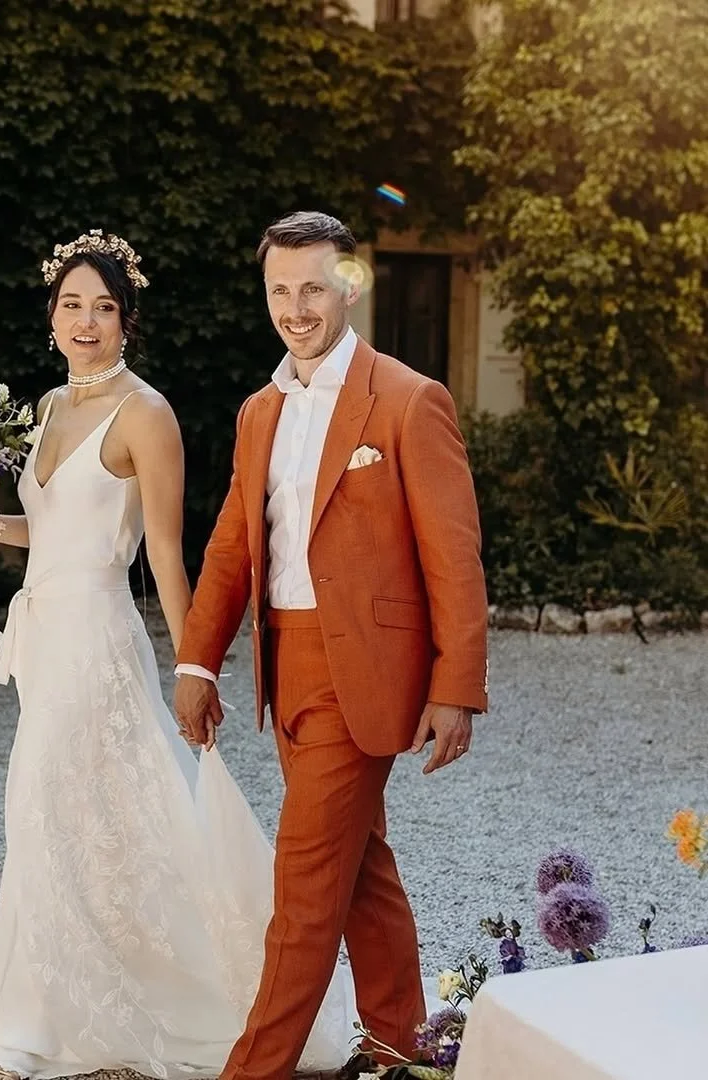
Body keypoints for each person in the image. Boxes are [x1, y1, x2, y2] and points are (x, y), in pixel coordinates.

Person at [0, 231, 355, 1080]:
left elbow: (168, 555)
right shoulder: (49, 409)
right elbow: (49, 530)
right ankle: (62, 1002)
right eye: (71, 305)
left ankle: (27, 1035)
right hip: (44, 641)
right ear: (52, 318)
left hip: (98, 640)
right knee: (66, 818)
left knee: (62, 808)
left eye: (103, 307)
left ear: (126, 321)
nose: (86, 321)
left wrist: (193, 666)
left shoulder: (147, 414)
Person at [175, 211, 490, 1080]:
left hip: (368, 676)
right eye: (280, 289)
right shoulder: (257, 411)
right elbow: (234, 544)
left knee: (306, 889)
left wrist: (456, 684)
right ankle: (406, 1050)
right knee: (361, 871)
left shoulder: (409, 399)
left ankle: (255, 1070)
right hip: (288, 672)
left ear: (347, 285)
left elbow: (453, 557)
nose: (296, 307)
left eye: (313, 287)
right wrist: (198, 661)